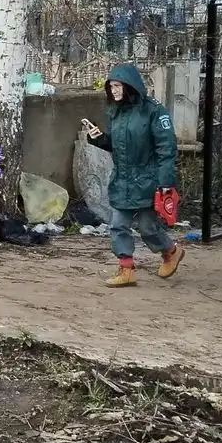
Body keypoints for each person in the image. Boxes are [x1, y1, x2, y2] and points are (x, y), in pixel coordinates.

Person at [85, 63, 185, 287]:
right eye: (111, 87)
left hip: (149, 181)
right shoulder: (116, 113)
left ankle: (170, 251)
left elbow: (166, 148)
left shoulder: (154, 112)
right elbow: (118, 146)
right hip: (123, 180)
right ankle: (126, 268)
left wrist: (166, 182)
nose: (114, 91)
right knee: (118, 224)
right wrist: (99, 138)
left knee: (148, 228)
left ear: (131, 86)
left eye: (118, 86)